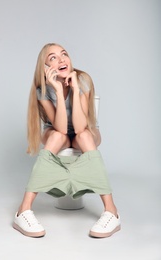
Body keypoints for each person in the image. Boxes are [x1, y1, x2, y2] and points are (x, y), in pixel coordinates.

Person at [12, 43, 121, 238]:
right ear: (45, 68)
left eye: (64, 54)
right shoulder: (43, 90)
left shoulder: (83, 79)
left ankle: (111, 211)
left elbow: (80, 127)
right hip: (57, 130)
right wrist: (56, 89)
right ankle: (23, 210)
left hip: (85, 128)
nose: (61, 59)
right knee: (57, 136)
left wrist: (76, 88)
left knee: (85, 136)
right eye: (53, 58)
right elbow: (61, 128)